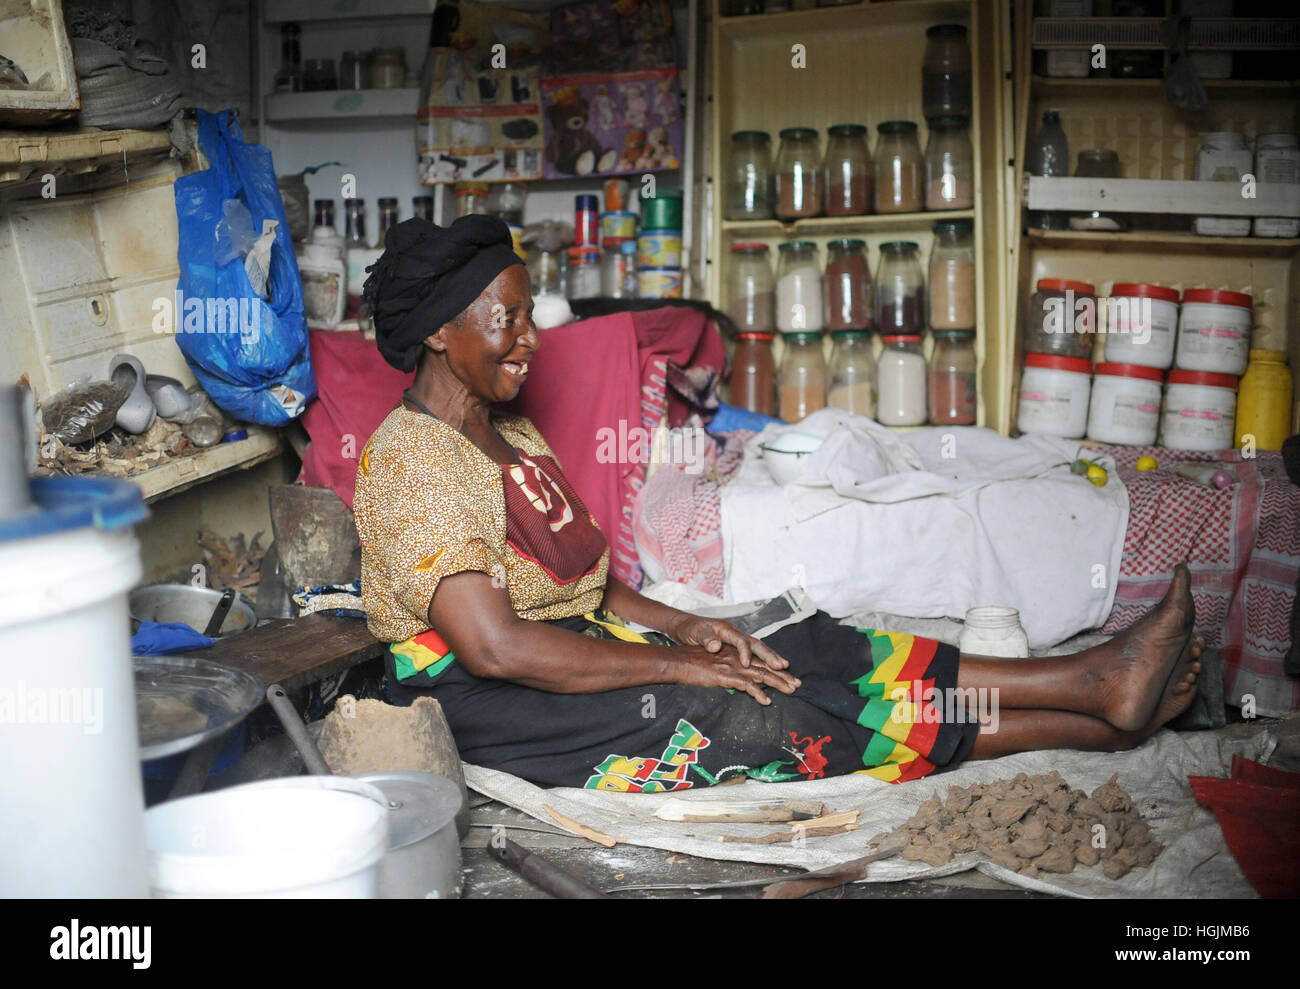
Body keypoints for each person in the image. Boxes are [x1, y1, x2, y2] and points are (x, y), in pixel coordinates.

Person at [355, 215, 1203, 791]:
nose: (533, 338)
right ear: (439, 330)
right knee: (749, 707)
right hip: (489, 700)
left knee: (798, 641)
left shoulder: (510, 434)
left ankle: (1085, 677)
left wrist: (687, 626)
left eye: (529, 314)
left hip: (568, 646)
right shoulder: (413, 462)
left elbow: (587, 582)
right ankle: (1101, 725)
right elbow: (497, 646)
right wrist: (680, 664)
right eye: (509, 320)